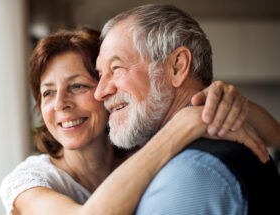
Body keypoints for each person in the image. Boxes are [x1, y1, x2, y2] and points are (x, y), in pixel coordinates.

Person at [94, 4, 280, 214]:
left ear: (177, 67)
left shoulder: (189, 173)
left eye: (116, 68)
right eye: (100, 75)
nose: (99, 92)